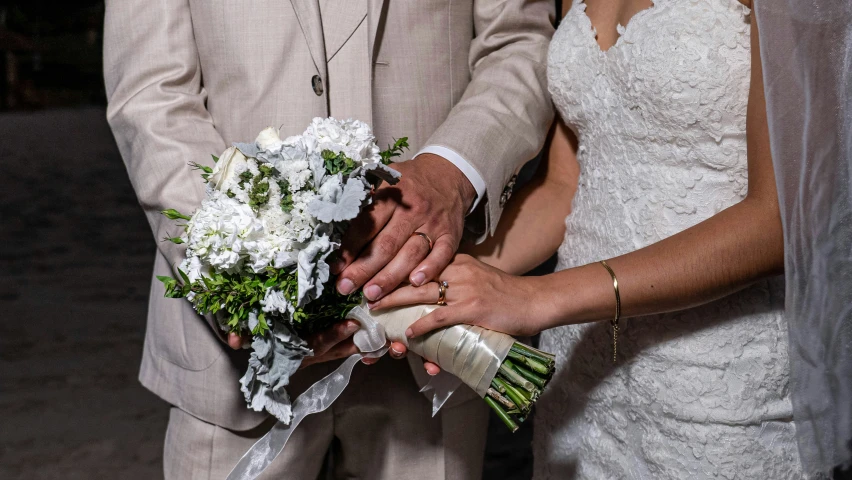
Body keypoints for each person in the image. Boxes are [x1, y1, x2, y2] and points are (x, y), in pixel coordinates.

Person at [102, 0, 555, 477]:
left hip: (427, 332)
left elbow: (519, 40)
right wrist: (235, 271)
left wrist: (453, 172)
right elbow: (151, 93)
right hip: (231, 371)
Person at [372, 0, 806, 477]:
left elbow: (780, 219)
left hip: (718, 375)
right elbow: (565, 186)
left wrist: (535, 298)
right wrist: (415, 282)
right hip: (583, 369)